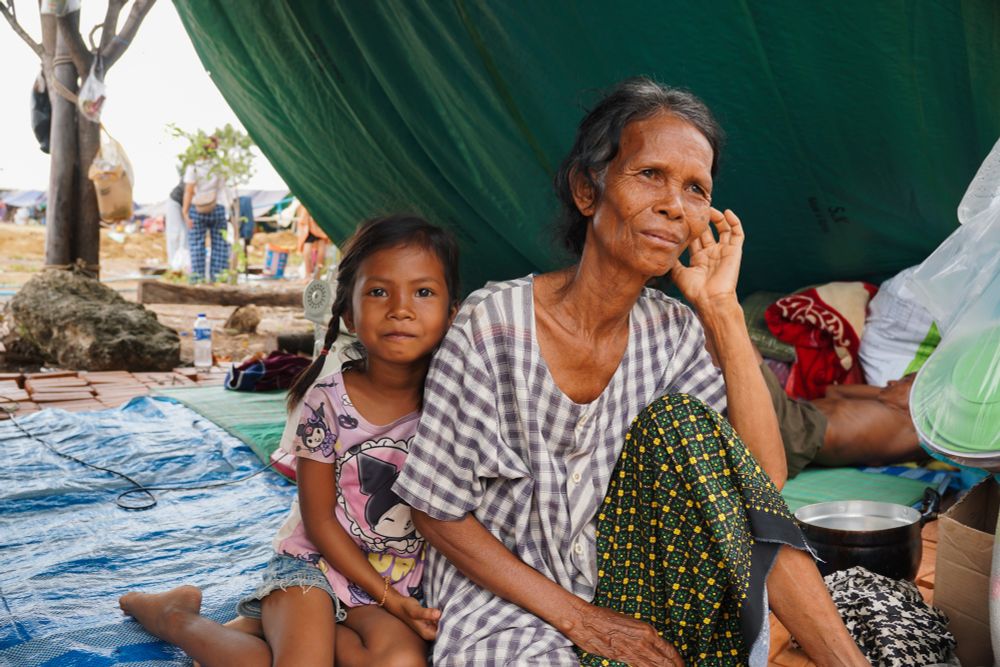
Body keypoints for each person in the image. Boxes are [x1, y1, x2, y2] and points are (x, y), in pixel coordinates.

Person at [393, 78, 869, 666]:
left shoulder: (674, 331)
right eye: (650, 175)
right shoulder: (495, 326)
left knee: (686, 429)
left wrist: (720, 309)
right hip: (510, 597)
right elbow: (435, 510)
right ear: (587, 191)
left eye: (696, 189)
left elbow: (760, 486)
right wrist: (582, 620)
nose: (674, 204)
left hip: (635, 586)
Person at [119, 214, 460, 666]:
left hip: (392, 583)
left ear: (453, 314)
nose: (401, 307)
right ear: (348, 315)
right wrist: (391, 600)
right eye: (379, 291)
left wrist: (394, 598)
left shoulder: (455, 404)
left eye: (423, 291)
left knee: (401, 663)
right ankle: (174, 618)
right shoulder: (326, 401)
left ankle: (268, 634)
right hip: (314, 568)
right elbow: (319, 523)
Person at [182, 136, 230, 283]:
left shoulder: (194, 167)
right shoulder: (220, 167)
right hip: (218, 207)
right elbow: (224, 187)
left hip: (198, 209)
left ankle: (198, 280)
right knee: (220, 244)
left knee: (197, 245)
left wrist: (185, 212)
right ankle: (218, 279)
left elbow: (189, 191)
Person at [296, 204, 331, 279]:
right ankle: (308, 275)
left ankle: (316, 275)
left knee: (320, 251)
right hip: (308, 227)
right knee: (307, 252)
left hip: (317, 226)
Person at [164, 177, 189, 272]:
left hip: (187, 206)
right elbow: (188, 192)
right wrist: (185, 212)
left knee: (187, 237)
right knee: (175, 235)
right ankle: (173, 266)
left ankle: (184, 266)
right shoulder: (193, 170)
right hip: (176, 202)